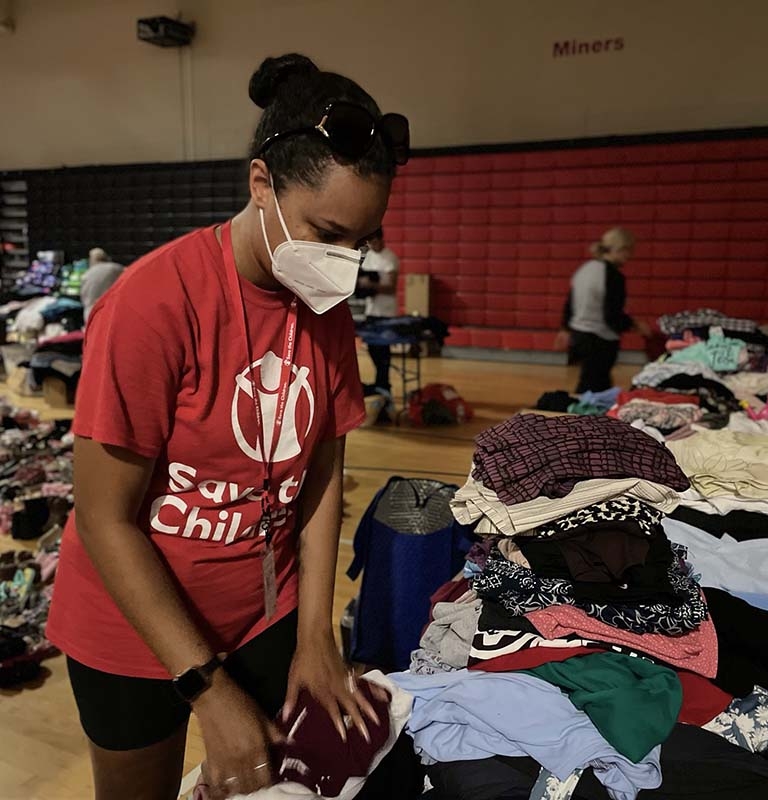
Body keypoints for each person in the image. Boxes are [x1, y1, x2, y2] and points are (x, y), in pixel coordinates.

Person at [46, 53, 409, 800]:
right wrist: (206, 688)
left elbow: (323, 471)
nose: (343, 263)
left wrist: (315, 634)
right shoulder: (152, 304)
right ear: (260, 186)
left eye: (361, 242)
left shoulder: (325, 313)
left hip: (261, 613)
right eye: (327, 232)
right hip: (135, 629)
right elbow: (105, 519)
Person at [555, 227, 650, 393]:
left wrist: (565, 328)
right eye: (628, 251)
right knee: (592, 386)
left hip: (580, 335)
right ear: (620, 249)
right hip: (599, 339)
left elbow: (569, 302)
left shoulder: (585, 269)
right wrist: (634, 325)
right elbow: (611, 315)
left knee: (595, 383)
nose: (629, 257)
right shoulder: (614, 276)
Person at [358, 227, 399, 392]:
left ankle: (383, 384)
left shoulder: (390, 258)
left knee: (383, 351)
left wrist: (371, 285)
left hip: (386, 312)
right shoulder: (369, 258)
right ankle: (380, 383)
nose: (372, 246)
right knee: (372, 348)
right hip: (371, 310)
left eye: (374, 242)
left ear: (381, 239)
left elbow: (391, 287)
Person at [80, 247, 125, 322]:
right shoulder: (115, 268)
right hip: (111, 310)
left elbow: (84, 296)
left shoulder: (86, 274)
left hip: (91, 312)